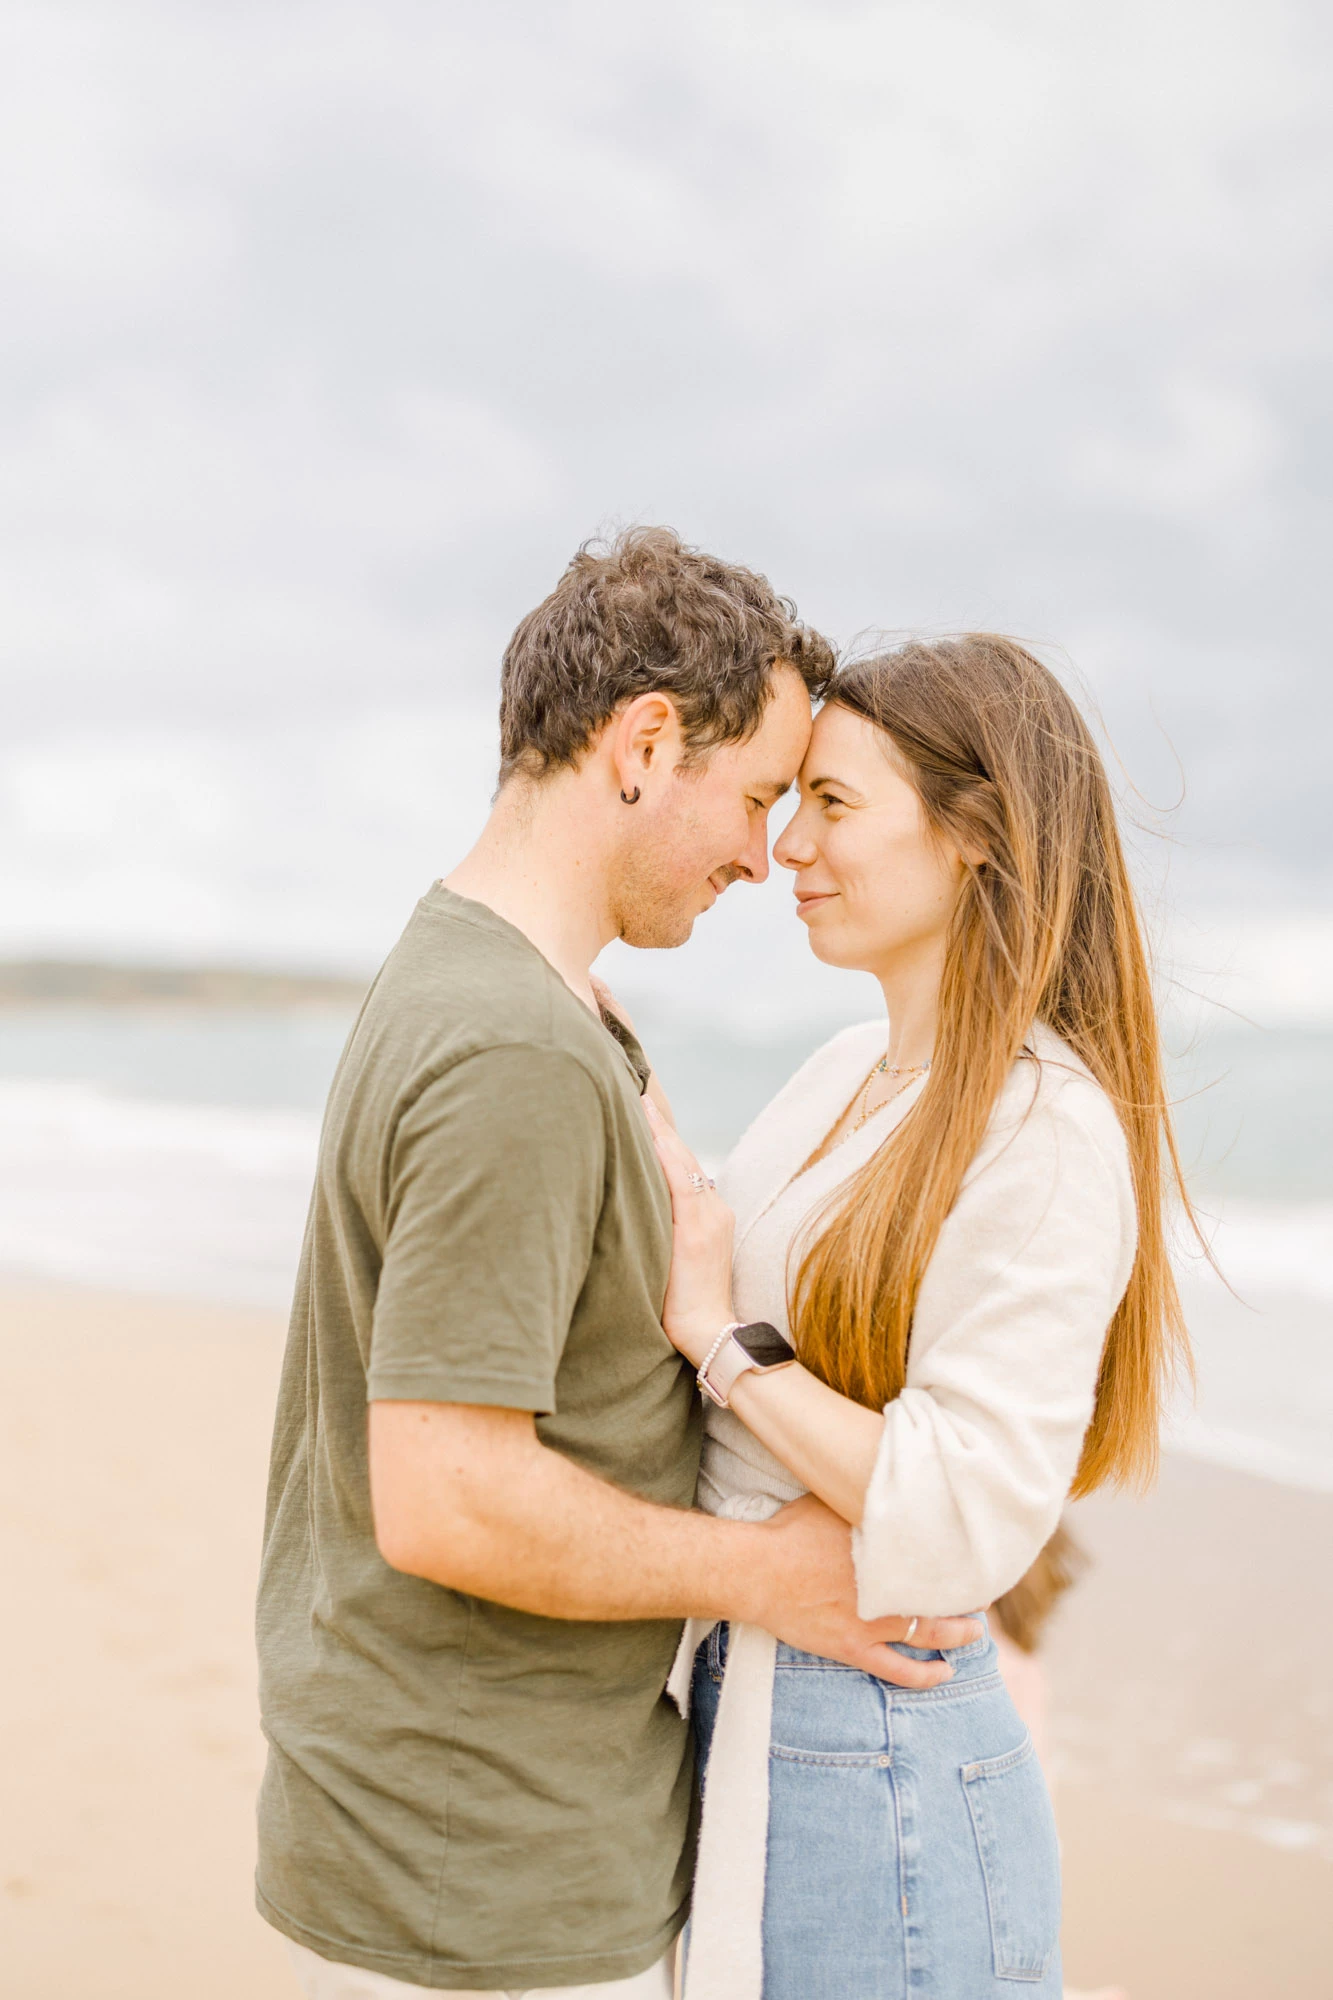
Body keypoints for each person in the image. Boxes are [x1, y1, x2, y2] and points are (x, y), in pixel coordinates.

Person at [254, 531, 980, 2000]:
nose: (767, 848)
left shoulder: (504, 985)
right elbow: (448, 1495)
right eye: (764, 792)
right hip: (484, 1878)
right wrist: (776, 1579)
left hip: (447, 1830)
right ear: (647, 743)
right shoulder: (515, 1044)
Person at [645, 635, 1194, 2000]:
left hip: (880, 1770)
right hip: (758, 1719)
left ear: (975, 833)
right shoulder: (847, 1068)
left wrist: (722, 1349)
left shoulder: (1045, 1125)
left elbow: (958, 1522)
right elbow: (706, 1242)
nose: (786, 851)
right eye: (794, 805)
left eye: (835, 804)